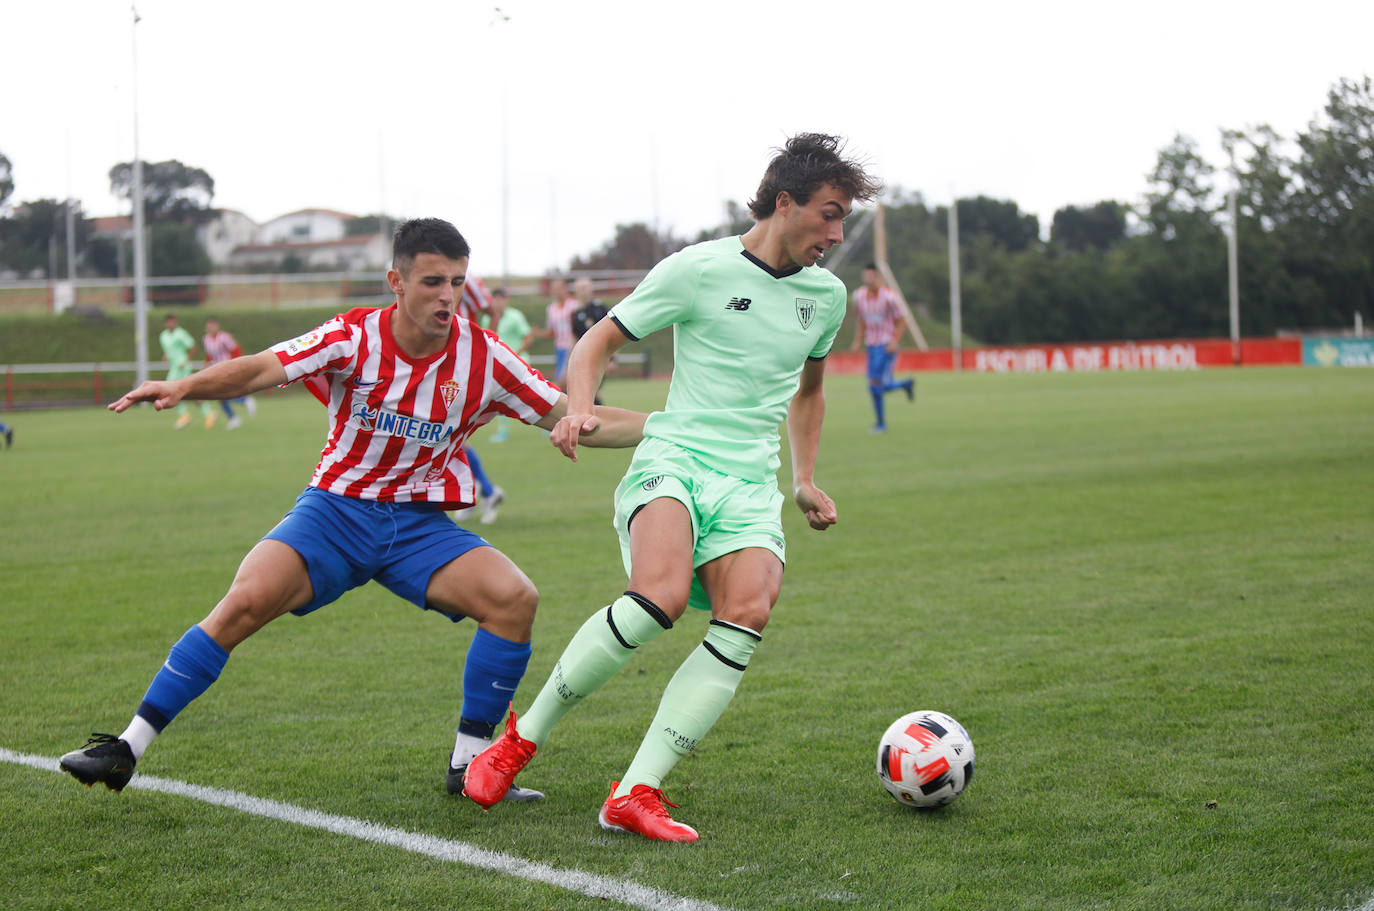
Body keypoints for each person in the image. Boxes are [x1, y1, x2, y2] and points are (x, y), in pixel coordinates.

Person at [58, 218, 646, 801]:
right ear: (396, 280)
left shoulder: (484, 358)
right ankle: (126, 748)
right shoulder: (353, 336)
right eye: (432, 282)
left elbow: (570, 414)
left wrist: (671, 429)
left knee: (514, 600)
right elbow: (265, 366)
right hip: (335, 513)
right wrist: (185, 386)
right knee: (242, 604)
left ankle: (469, 766)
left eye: (457, 283)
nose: (447, 296)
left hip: (418, 528)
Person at [464, 133, 881, 841]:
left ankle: (636, 790)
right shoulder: (697, 269)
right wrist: (582, 406)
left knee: (747, 611)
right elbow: (596, 341)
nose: (837, 234)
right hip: (676, 458)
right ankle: (521, 736)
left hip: (751, 482)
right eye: (830, 214)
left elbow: (809, 392)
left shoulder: (827, 296)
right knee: (656, 595)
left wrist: (804, 478)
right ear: (785, 203)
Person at [848, 264, 914, 432]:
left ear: (878, 277)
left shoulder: (890, 297)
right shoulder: (859, 296)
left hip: (885, 345)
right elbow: (861, 320)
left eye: (871, 276)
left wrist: (894, 340)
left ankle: (881, 424)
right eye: (866, 276)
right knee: (877, 385)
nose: (868, 280)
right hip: (871, 344)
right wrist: (857, 340)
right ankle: (905, 384)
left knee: (875, 384)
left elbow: (903, 318)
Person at [481, 287, 534, 443]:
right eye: (495, 298)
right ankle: (502, 432)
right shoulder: (487, 318)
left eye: (501, 298)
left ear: (506, 300)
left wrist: (515, 354)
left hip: (520, 363)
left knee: (531, 395)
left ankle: (551, 426)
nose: (498, 302)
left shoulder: (516, 316)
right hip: (499, 366)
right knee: (498, 398)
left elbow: (528, 338)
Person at [159, 313, 215, 429]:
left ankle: (190, 415)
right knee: (183, 392)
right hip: (174, 367)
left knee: (174, 390)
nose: (171, 324)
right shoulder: (163, 336)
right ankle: (205, 414)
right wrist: (166, 356)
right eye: (168, 322)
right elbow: (170, 350)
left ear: (176, 322)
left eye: (172, 321)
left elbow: (192, 346)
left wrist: (186, 361)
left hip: (183, 367)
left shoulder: (181, 333)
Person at [203, 317, 257, 429]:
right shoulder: (206, 339)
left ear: (217, 326)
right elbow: (209, 355)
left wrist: (234, 365)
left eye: (212, 325)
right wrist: (205, 365)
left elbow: (236, 350)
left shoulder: (224, 337)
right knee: (219, 395)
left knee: (221, 393)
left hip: (227, 368)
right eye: (209, 326)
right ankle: (236, 415)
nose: (210, 328)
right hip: (216, 370)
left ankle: (243, 402)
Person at [570, 277, 610, 406]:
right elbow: (574, 337)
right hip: (583, 358)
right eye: (580, 289)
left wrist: (613, 358)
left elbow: (612, 332)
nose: (583, 292)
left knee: (593, 391)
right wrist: (571, 358)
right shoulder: (576, 314)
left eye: (585, 288)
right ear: (576, 292)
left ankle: (602, 420)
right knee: (589, 393)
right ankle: (598, 420)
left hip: (600, 356)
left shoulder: (600, 308)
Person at [539, 278, 579, 386]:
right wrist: (537, 333)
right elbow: (551, 332)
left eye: (558, 288)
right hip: (560, 348)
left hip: (573, 347)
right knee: (564, 381)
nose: (556, 291)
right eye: (554, 289)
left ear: (565, 289)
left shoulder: (575, 305)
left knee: (563, 381)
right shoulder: (551, 308)